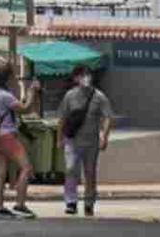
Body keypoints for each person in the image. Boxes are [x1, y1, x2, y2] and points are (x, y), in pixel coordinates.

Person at [57, 65, 110, 216]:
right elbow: (62, 118)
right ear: (75, 79)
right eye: (81, 75)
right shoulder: (69, 96)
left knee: (90, 173)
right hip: (72, 141)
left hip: (91, 142)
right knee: (70, 169)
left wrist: (104, 137)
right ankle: (71, 202)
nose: (85, 78)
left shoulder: (99, 97)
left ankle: (89, 202)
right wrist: (59, 138)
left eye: (87, 75)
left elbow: (107, 117)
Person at [0, 65, 36, 217]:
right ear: (8, 78)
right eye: (14, 76)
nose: (15, 79)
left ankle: (0, 208)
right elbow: (25, 108)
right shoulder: (5, 96)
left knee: (1, 173)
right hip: (8, 136)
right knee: (26, 168)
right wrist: (32, 91)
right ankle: (20, 206)